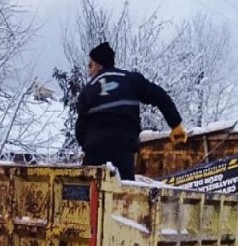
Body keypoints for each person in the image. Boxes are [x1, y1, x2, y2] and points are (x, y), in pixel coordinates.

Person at [75, 42, 188, 180]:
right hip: (123, 151)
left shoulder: (88, 90)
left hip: (95, 152)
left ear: (99, 65)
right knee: (123, 195)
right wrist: (175, 125)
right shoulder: (131, 80)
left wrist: (87, 146)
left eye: (90, 65)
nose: (89, 71)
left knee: (88, 192)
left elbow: (80, 130)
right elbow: (161, 97)